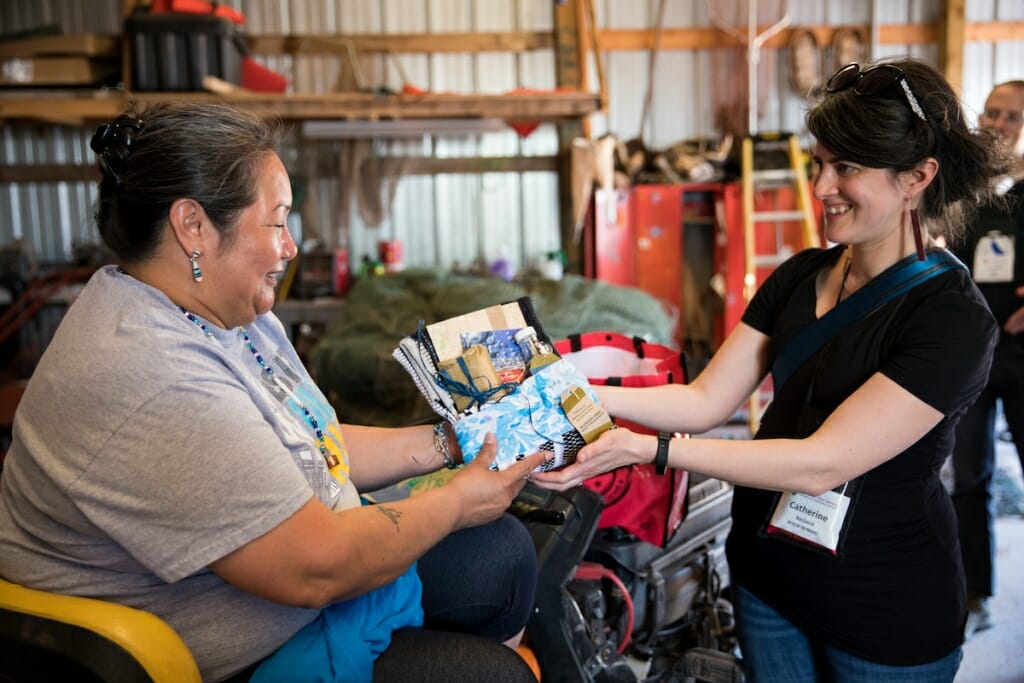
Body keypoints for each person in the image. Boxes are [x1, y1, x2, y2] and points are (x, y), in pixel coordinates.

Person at [0, 102, 547, 683]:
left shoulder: (224, 312)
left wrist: (453, 441)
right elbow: (318, 567)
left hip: (282, 584)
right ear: (193, 226)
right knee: (493, 673)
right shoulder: (153, 377)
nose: (289, 246)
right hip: (230, 648)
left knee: (502, 551)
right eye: (277, 220)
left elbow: (315, 444)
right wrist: (457, 501)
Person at [531, 57, 1010, 681]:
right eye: (820, 163)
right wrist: (568, 385)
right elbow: (705, 400)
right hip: (766, 581)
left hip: (884, 608)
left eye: (847, 168)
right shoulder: (799, 276)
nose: (820, 189)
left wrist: (647, 451)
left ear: (918, 176)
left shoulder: (951, 318)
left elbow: (822, 462)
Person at [951, 79, 1024, 638]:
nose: (997, 123)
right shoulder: (965, 191)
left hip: (1023, 357)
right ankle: (975, 594)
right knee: (970, 478)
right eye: (992, 112)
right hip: (973, 356)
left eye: (1012, 116)